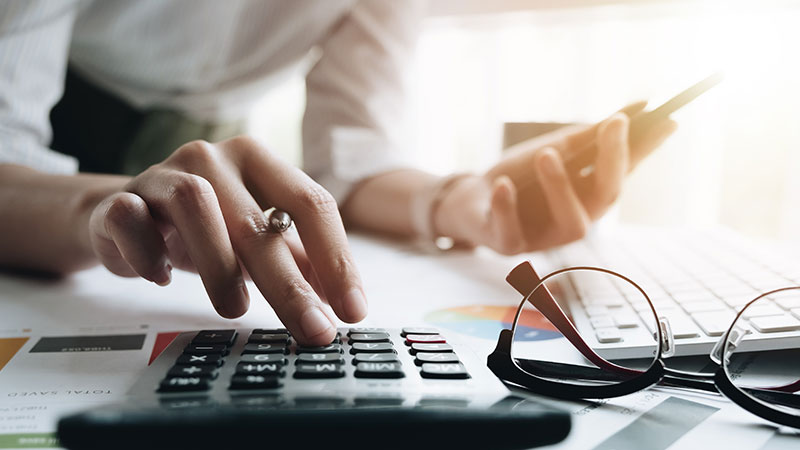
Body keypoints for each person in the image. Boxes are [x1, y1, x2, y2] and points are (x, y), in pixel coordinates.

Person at [0, 1, 676, 345]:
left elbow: (355, 160)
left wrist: (458, 200)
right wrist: (95, 208)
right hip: (59, 137)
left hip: (200, 153)